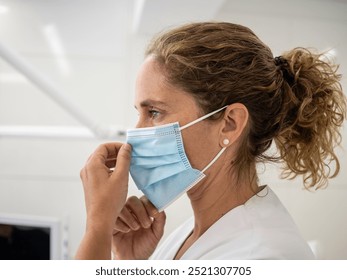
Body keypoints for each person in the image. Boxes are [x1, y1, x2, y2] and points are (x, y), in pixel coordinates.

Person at [75, 22, 346, 260]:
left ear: (229, 123)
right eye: (140, 113)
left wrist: (98, 226)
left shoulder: (261, 257)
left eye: (154, 112)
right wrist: (128, 264)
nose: (134, 139)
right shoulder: (191, 233)